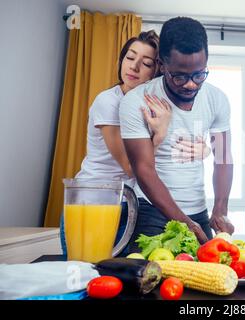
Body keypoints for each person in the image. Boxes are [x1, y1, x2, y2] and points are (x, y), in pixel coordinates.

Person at [59, 30, 210, 255]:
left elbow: (178, 149)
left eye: (146, 63)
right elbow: (131, 166)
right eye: (130, 58)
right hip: (94, 203)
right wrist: (158, 135)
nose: (134, 67)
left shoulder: (159, 104)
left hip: (131, 205)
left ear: (159, 69)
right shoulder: (109, 102)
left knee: (122, 278)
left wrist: (204, 150)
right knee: (87, 273)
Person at [119, 17, 235, 250]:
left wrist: (220, 209)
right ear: (162, 65)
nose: (191, 84)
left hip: (198, 212)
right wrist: (183, 222)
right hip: (151, 212)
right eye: (180, 76)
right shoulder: (135, 101)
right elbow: (144, 169)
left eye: (199, 75)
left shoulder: (217, 99)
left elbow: (222, 157)